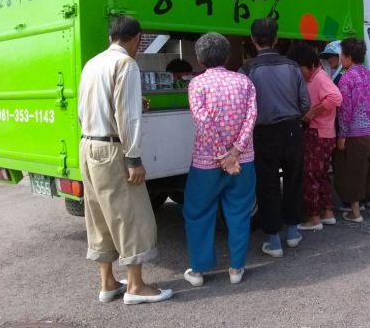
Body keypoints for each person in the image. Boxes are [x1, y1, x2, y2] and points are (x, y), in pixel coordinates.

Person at [77, 15, 172, 305]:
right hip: (113, 150)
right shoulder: (126, 64)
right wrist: (133, 158)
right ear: (136, 39)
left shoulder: (92, 63)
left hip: (88, 145)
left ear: (110, 37)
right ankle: (136, 285)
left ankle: (107, 283)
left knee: (99, 216)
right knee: (131, 215)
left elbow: (87, 108)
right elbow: (128, 118)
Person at [183, 33, 257, 287]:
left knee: (198, 212)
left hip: (206, 163)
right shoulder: (244, 82)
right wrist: (235, 152)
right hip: (243, 162)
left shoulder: (197, 84)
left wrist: (222, 155)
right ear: (226, 56)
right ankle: (236, 268)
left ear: (200, 58)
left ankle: (199, 270)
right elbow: (251, 118)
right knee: (239, 212)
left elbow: (202, 122)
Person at [241, 18, 310, 257]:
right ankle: (292, 233)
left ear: (253, 39)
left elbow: (242, 108)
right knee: (293, 180)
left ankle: (274, 241)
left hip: (263, 133)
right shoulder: (293, 67)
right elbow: (305, 103)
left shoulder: (247, 70)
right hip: (292, 130)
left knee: (267, 185)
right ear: (277, 38)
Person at [287, 42, 342, 230]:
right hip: (325, 134)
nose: (298, 73)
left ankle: (313, 218)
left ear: (309, 64)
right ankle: (328, 213)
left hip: (318, 134)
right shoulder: (312, 78)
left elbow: (336, 97)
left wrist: (313, 112)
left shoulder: (319, 78)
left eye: (299, 68)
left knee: (309, 175)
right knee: (321, 175)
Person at [334, 37, 370, 222]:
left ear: (348, 56)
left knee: (353, 171)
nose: (340, 58)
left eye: (341, 54)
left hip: (355, 135)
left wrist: (342, 135)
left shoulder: (346, 79)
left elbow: (345, 110)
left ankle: (356, 213)